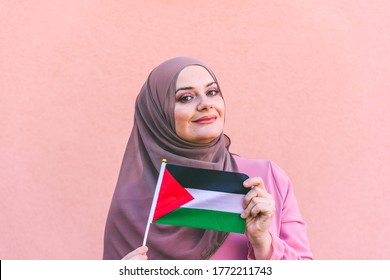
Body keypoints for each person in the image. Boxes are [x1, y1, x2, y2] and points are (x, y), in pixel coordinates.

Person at [103, 57, 313, 260]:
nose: (205, 104)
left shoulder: (264, 179)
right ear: (157, 115)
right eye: (185, 97)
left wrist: (263, 243)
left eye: (212, 92)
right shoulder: (133, 203)